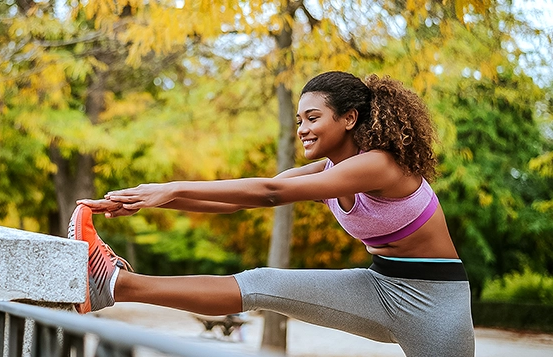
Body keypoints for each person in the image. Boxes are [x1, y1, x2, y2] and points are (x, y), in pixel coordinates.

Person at [69, 71, 475, 356]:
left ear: (349, 119)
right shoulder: (326, 171)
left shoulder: (381, 165)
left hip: (435, 302)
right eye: (300, 120)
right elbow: (241, 199)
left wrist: (172, 187)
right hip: (378, 284)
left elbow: (269, 191)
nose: (302, 129)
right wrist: (147, 199)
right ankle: (113, 286)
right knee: (260, 283)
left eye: (313, 118)